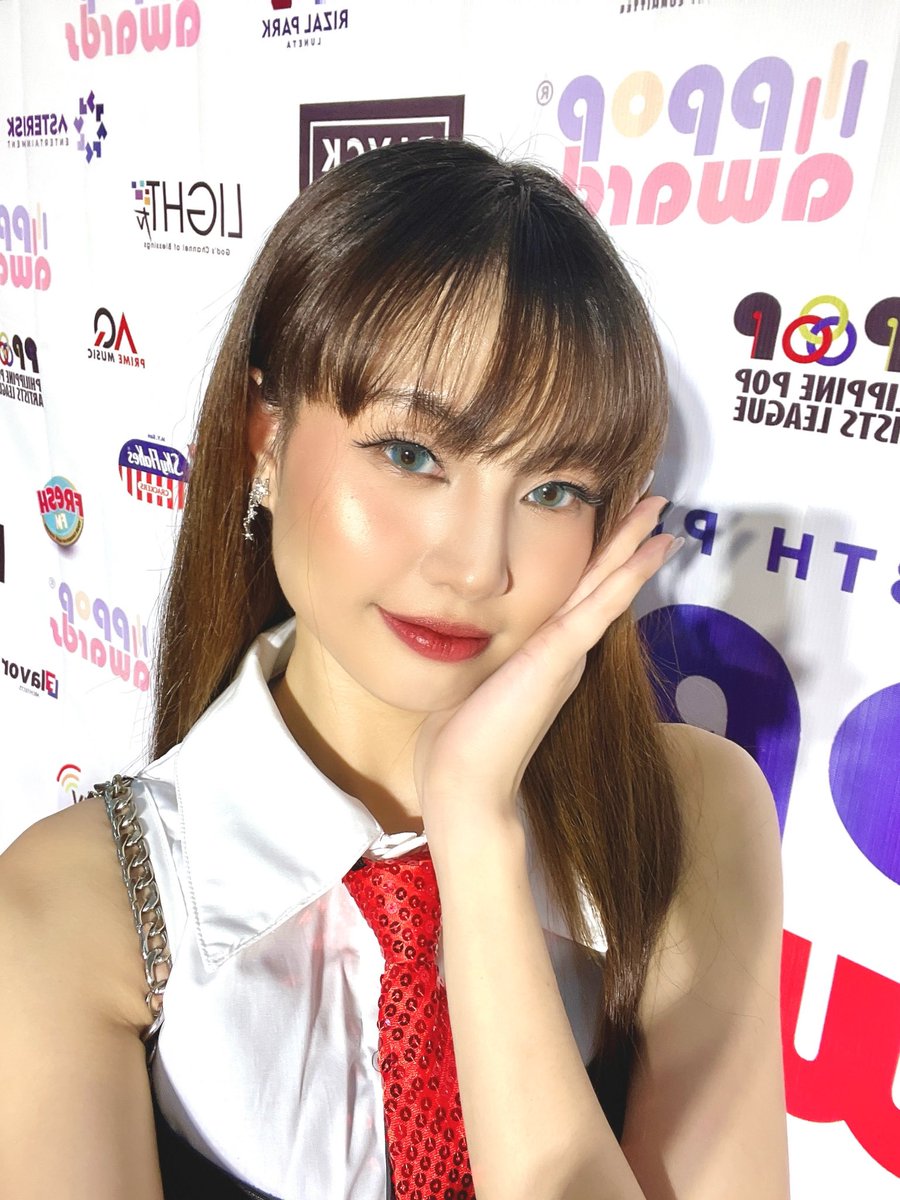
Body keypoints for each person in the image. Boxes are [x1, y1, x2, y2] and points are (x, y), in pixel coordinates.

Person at [0, 139, 789, 1200]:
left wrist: (476, 831)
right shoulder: (70, 908)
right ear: (265, 440)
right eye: (413, 455)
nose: (475, 565)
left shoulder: (686, 813)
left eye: (552, 490)